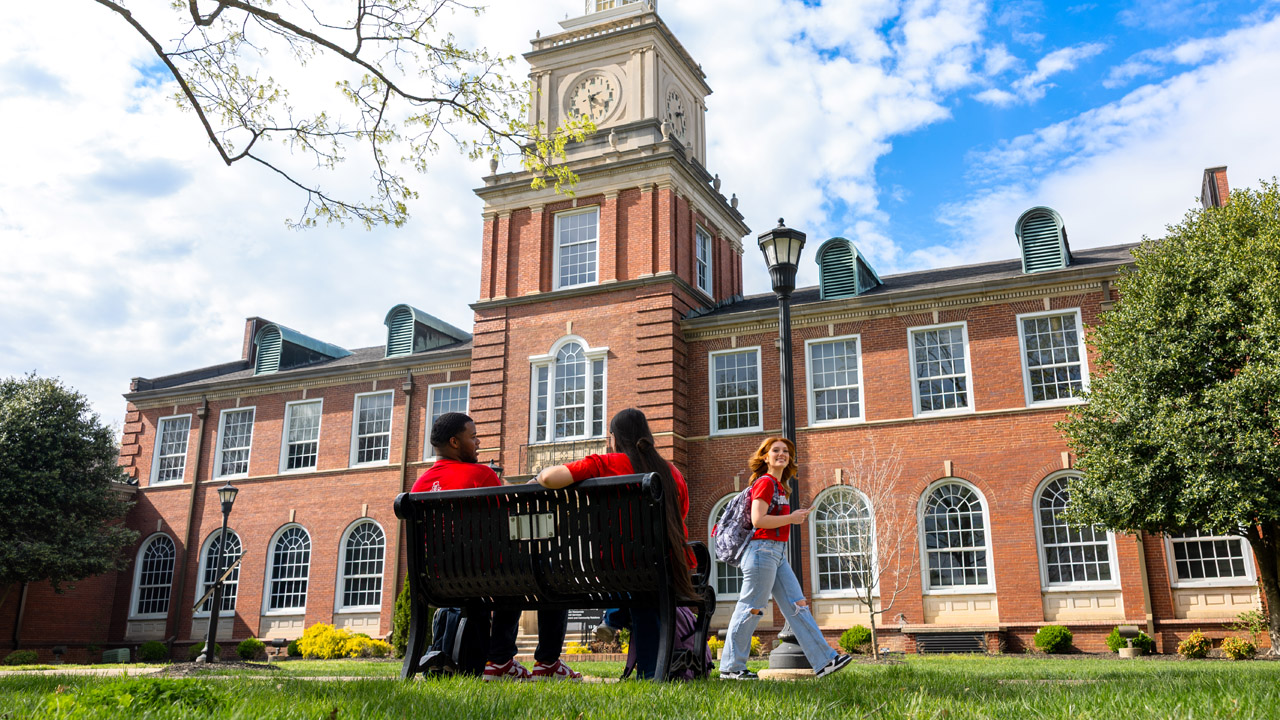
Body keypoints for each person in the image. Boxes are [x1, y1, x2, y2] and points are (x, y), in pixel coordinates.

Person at [411, 412, 581, 682]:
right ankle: (545, 662)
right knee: (548, 569)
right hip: (485, 578)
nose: (478, 442)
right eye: (473, 436)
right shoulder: (480, 475)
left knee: (509, 571)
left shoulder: (418, 487)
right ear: (455, 442)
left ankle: (501, 661)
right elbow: (506, 526)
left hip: (437, 582)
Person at [534, 408, 696, 679]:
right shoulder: (672, 473)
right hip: (664, 569)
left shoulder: (602, 463)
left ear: (614, 438)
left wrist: (538, 476)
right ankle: (647, 669)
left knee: (632, 579)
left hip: (611, 571)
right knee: (644, 589)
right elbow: (681, 516)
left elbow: (550, 478)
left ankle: (614, 620)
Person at [718, 436, 853, 680]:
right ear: (765, 457)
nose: (782, 454)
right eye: (776, 450)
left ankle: (825, 661)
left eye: (786, 452)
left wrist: (791, 517)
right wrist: (791, 518)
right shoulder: (766, 483)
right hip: (761, 552)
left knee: (797, 606)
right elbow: (759, 520)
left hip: (775, 554)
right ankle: (731, 667)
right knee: (750, 609)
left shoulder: (781, 486)